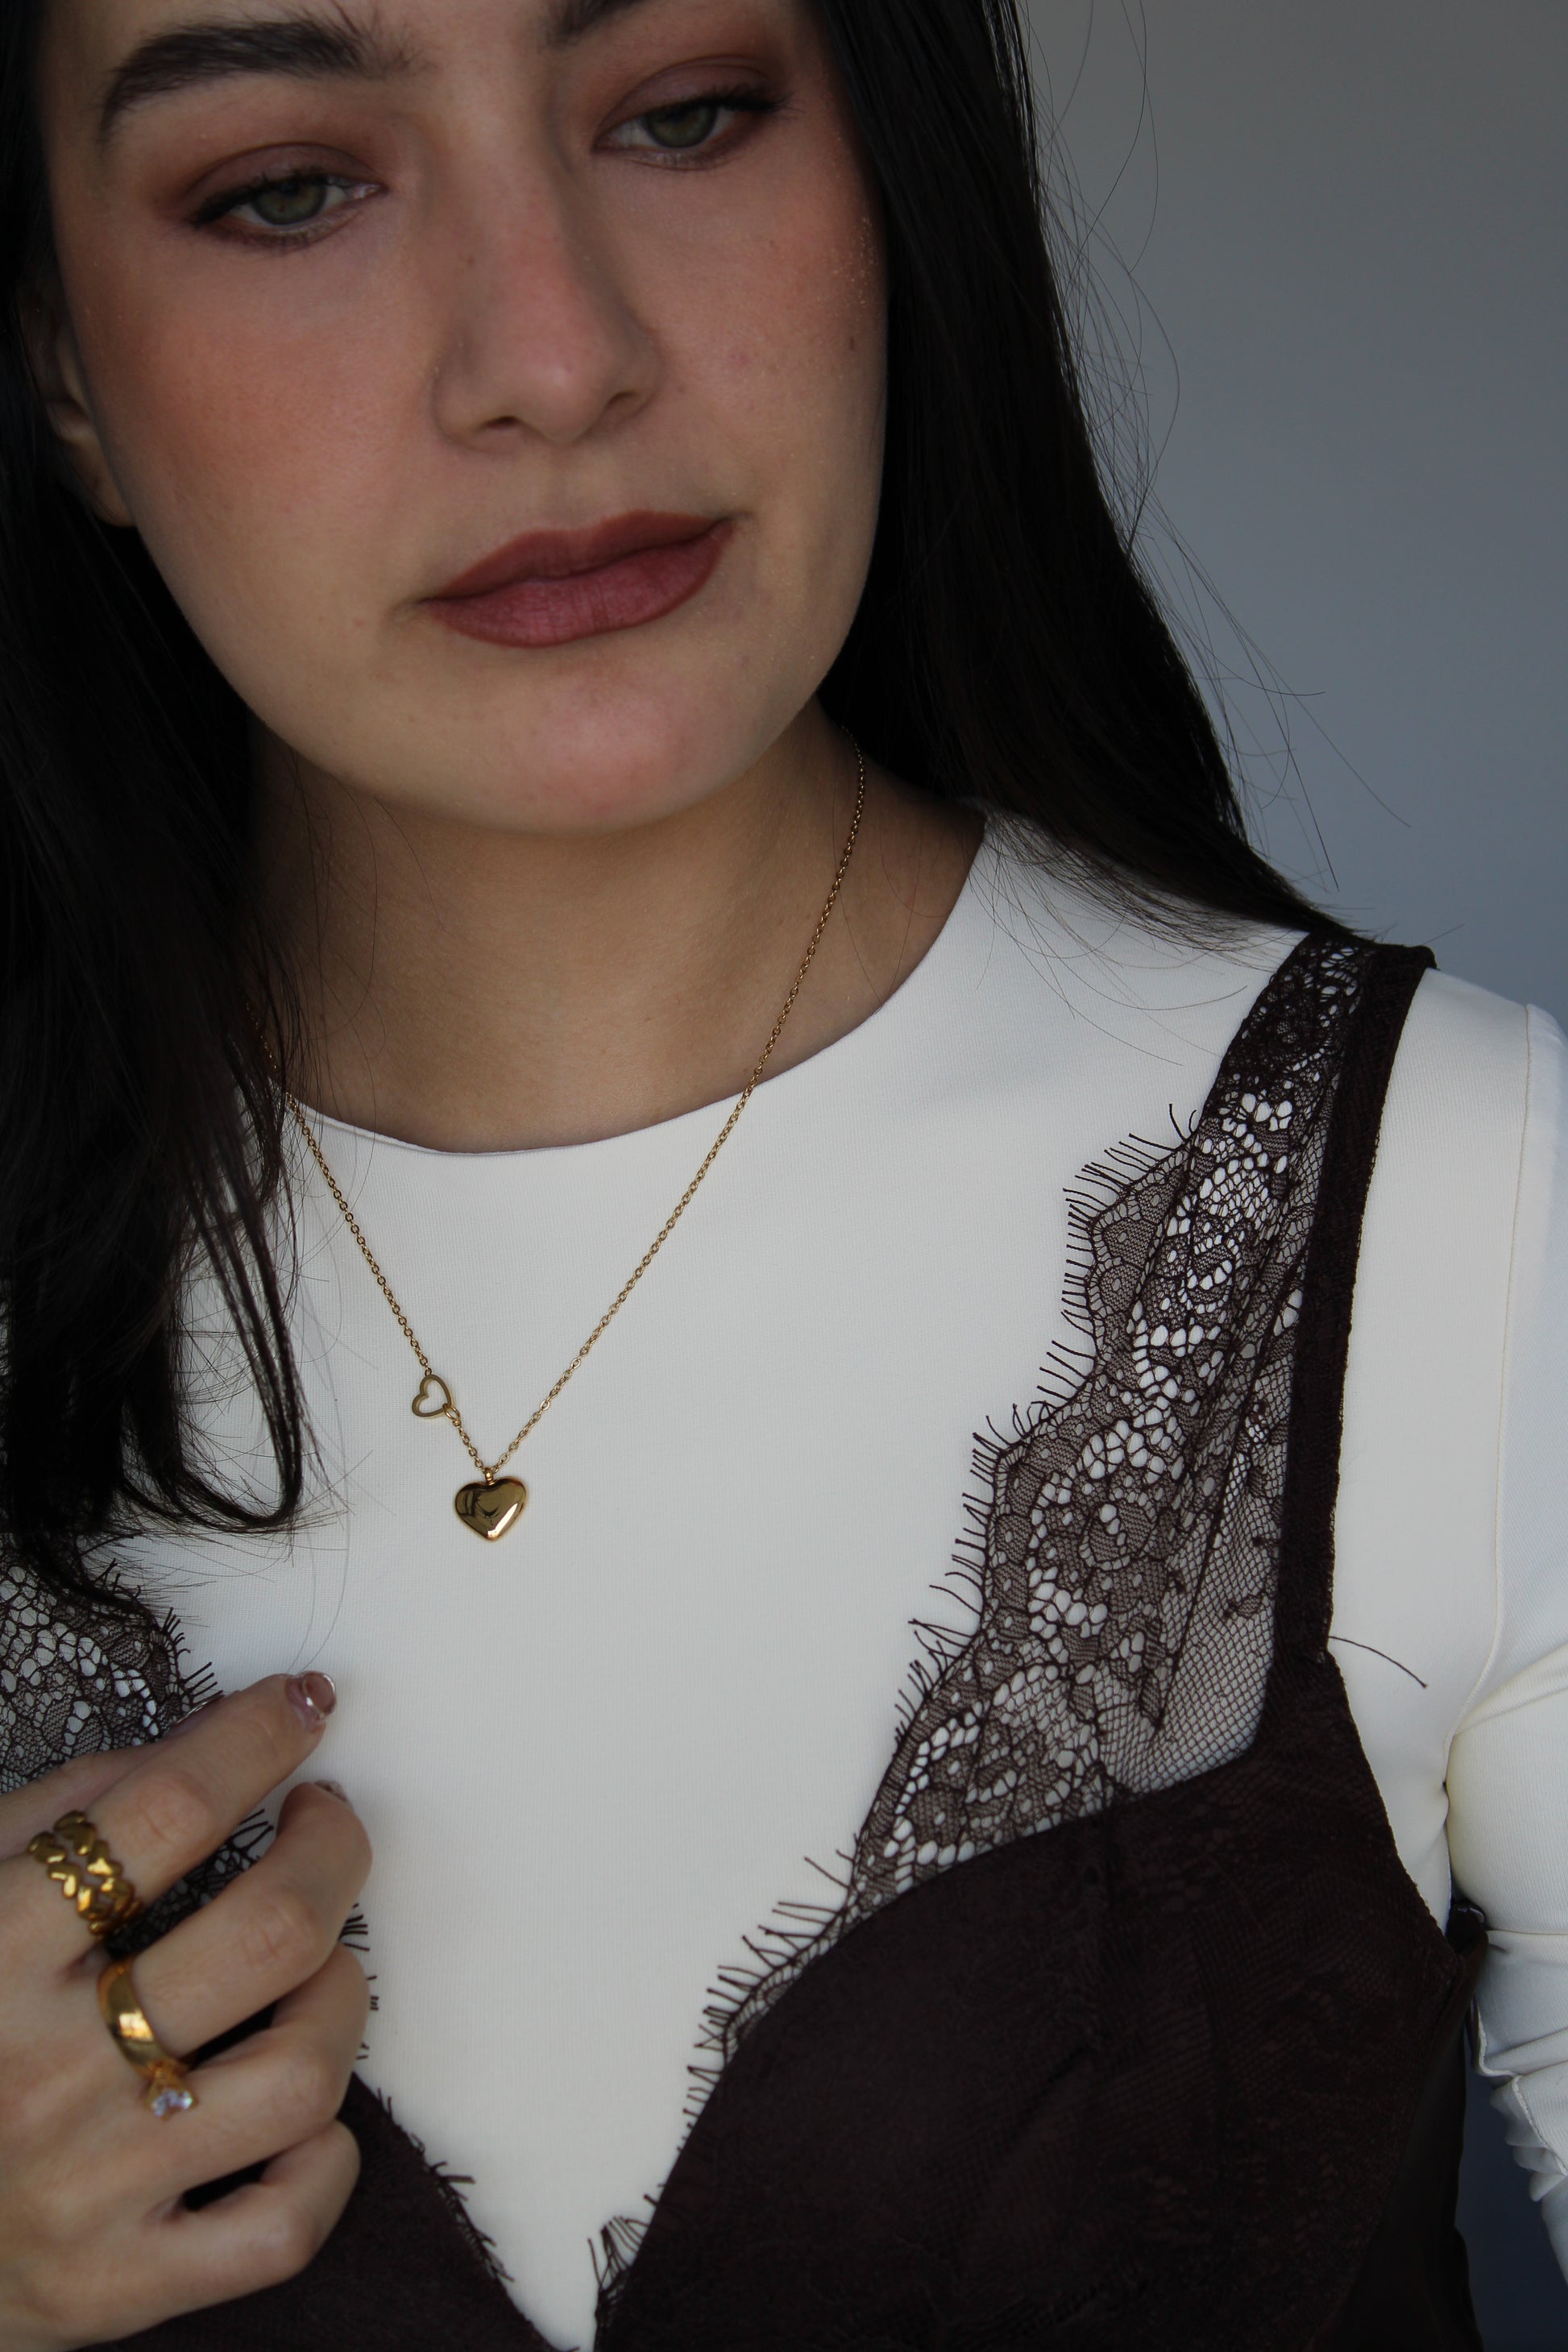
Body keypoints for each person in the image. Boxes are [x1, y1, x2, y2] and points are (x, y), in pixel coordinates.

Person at [0, 2, 1562, 2346]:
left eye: (684, 113)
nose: (554, 360)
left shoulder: (1475, 1209)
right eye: (289, 189)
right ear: (59, 362)